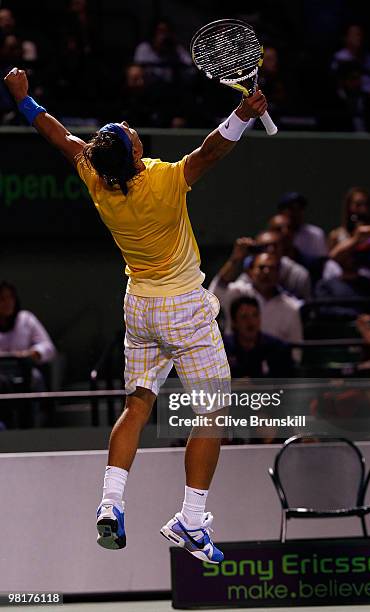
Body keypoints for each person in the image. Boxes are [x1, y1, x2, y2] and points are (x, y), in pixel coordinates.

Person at [4, 66, 269, 563]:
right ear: (136, 153)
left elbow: (59, 136)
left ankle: (110, 503)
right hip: (184, 308)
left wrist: (23, 101)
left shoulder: (96, 177)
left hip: (139, 308)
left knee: (138, 405)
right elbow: (212, 150)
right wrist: (242, 114)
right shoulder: (164, 180)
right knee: (212, 411)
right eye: (121, 131)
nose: (122, 124)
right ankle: (191, 519)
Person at [209, 252, 303, 349]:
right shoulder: (236, 293)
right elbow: (215, 293)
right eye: (261, 267)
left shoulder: (291, 307)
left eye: (272, 268)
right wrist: (235, 259)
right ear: (250, 271)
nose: (267, 272)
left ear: (279, 273)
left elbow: (296, 349)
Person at [0, 281, 56, 427]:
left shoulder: (25, 319)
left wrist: (33, 353)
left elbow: (48, 348)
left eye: (10, 298)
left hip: (24, 374)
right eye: (2, 299)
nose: (8, 303)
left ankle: (29, 424)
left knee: (34, 379)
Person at [224, 296, 294, 378]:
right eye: (244, 317)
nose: (251, 322)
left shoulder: (278, 349)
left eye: (255, 315)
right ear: (234, 322)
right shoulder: (221, 349)